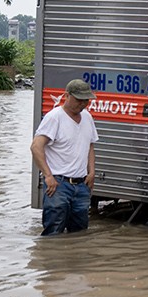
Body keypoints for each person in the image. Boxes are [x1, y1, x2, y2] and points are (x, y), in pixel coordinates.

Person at [31, 79, 99, 235]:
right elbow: (36, 146)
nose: (82, 104)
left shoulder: (87, 117)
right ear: (67, 96)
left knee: (80, 232)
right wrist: (48, 176)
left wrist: (92, 172)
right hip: (59, 185)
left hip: (82, 185)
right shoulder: (55, 117)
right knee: (53, 231)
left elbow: (90, 145)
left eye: (86, 100)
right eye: (79, 100)